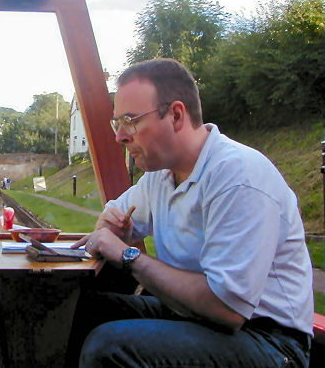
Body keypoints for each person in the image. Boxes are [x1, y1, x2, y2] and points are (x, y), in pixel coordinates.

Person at [68, 58, 314, 367]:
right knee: (82, 310)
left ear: (176, 115)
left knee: (109, 347)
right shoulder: (161, 176)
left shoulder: (237, 176)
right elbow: (116, 217)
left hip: (269, 342)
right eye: (117, 123)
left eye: (130, 120)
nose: (120, 136)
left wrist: (127, 256)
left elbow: (226, 309)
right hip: (197, 320)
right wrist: (110, 227)